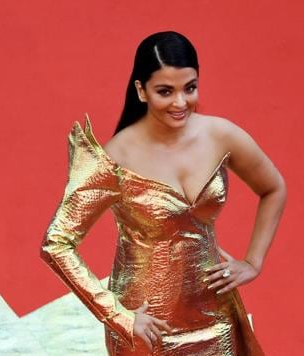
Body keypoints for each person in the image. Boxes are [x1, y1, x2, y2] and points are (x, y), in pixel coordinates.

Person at [40, 31, 286, 355]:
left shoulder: (220, 136)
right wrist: (118, 316)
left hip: (216, 318)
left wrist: (253, 261)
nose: (180, 103)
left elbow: (273, 187)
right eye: (165, 92)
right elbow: (56, 243)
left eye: (190, 88)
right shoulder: (115, 158)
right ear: (141, 91)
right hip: (148, 329)